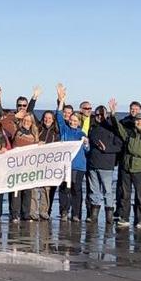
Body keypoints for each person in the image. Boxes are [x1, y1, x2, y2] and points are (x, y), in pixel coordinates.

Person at [111, 99, 141, 229]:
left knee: (140, 196)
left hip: (140, 169)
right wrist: (113, 114)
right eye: (137, 120)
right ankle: (124, 218)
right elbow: (118, 127)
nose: (139, 122)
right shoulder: (129, 133)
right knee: (125, 195)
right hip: (126, 167)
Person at [54, 86, 87, 224]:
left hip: (78, 166)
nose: (73, 122)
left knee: (76, 189)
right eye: (71, 120)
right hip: (64, 165)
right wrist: (61, 100)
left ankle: (76, 214)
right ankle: (64, 211)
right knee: (63, 189)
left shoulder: (81, 134)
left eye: (75, 120)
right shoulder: (64, 130)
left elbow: (87, 150)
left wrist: (86, 143)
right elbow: (58, 115)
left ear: (79, 122)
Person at [85, 105, 121, 227]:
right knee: (94, 191)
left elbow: (119, 146)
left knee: (107, 192)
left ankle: (109, 218)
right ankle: (93, 216)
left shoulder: (112, 128)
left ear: (106, 115)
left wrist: (107, 149)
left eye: (101, 114)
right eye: (97, 115)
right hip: (93, 164)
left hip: (106, 165)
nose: (99, 117)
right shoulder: (92, 127)